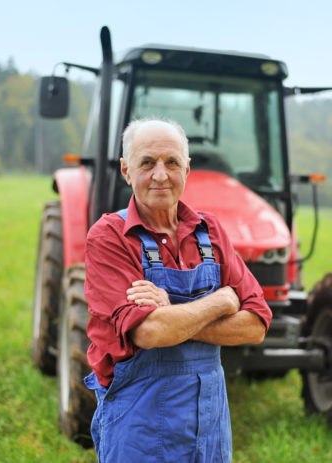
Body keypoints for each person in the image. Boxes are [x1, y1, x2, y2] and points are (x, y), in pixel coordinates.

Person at [83, 117, 272, 463]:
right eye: (147, 163)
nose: (160, 175)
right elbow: (150, 332)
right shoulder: (109, 237)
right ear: (126, 171)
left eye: (171, 162)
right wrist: (220, 301)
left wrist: (172, 312)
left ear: (186, 169)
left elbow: (256, 325)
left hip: (210, 427)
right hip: (140, 427)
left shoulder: (210, 232)